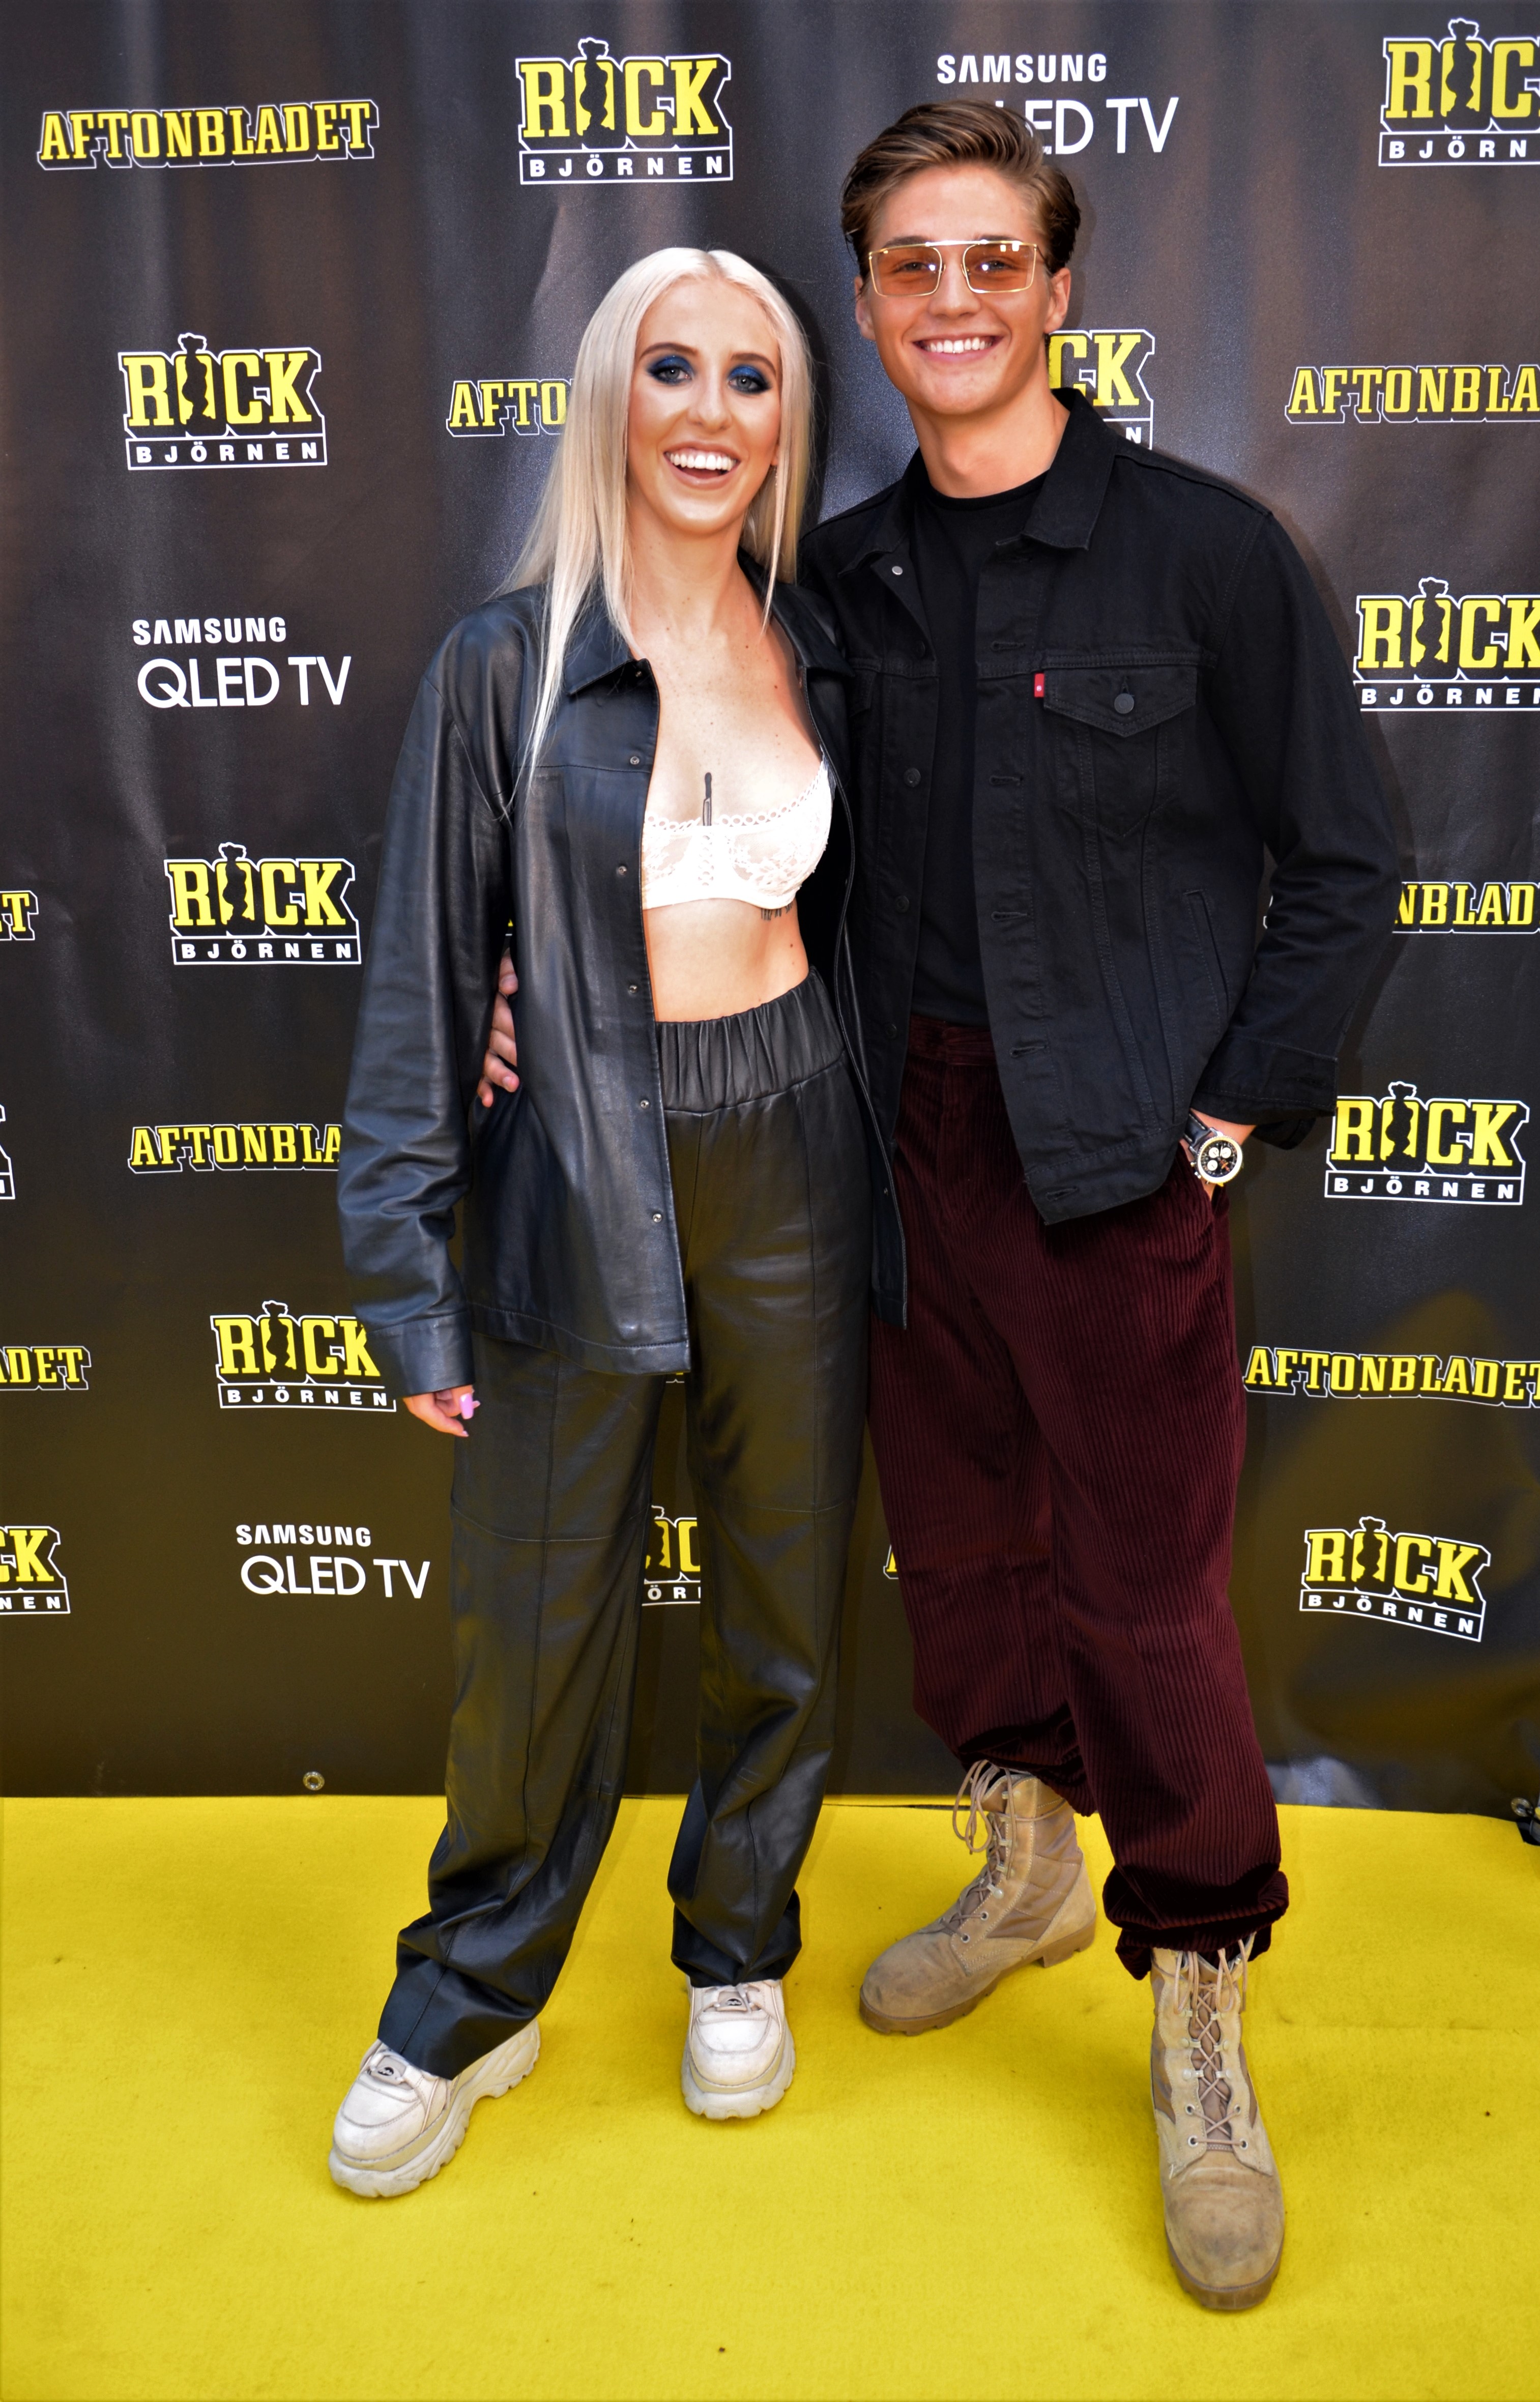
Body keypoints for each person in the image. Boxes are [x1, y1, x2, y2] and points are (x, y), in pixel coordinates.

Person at [481, 106, 1398, 2307]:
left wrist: (1222, 1121)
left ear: (1058, 288)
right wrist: (531, 981)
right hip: (878, 1150)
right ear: (869, 303)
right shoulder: (842, 578)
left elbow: (1349, 860)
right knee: (962, 1553)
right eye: (912, 265)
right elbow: (707, 812)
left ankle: (1197, 1996)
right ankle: (1025, 1864)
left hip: (1113, 1159)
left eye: (994, 259)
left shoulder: (1204, 555)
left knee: (1145, 1597)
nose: (954, 298)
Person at [330, 246, 876, 2198]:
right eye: (672, 369)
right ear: (609, 400)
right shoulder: (505, 660)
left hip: (796, 1144)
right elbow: (423, 979)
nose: (711, 413)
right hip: (576, 1155)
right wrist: (408, 1280)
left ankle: (737, 1947)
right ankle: (468, 1996)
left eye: (751, 377)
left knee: (783, 1597)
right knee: (537, 1622)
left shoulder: (820, 643)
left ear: (785, 420)